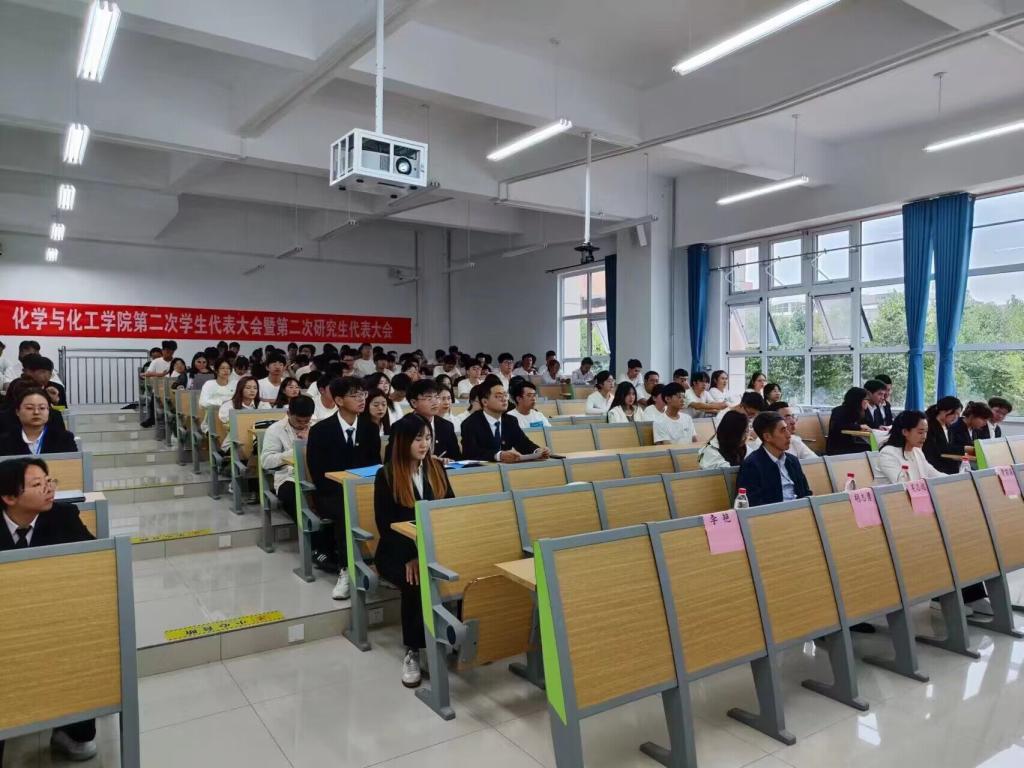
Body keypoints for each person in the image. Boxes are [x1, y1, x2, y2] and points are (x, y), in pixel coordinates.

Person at [0, 458, 98, 763]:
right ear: (9, 497)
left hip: (54, 619)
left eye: (49, 481)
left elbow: (94, 562)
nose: (49, 488)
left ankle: (71, 729)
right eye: (37, 484)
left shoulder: (63, 516)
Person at [373, 416, 454, 688]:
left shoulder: (436, 468)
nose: (424, 444)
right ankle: (413, 649)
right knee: (415, 581)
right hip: (396, 551)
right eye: (418, 438)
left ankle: (455, 636)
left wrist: (428, 553)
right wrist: (413, 556)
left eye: (428, 438)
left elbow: (449, 510)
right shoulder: (386, 475)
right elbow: (386, 526)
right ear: (403, 441)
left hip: (432, 548)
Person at [306, 377, 382, 595]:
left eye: (363, 394)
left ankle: (381, 565)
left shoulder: (369, 428)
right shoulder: (321, 430)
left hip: (363, 491)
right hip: (331, 494)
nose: (361, 399)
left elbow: (375, 465)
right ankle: (346, 569)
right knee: (346, 510)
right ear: (339, 400)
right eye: (354, 395)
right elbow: (318, 473)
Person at [460, 380, 550, 462]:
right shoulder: (470, 423)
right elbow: (470, 452)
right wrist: (498, 456)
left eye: (505, 395)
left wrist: (537, 451)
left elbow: (523, 443)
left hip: (506, 469)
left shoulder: (510, 420)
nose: (504, 399)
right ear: (485, 402)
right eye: (498, 396)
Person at [736, 412, 813, 507]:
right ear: (767, 437)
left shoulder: (792, 461)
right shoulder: (751, 465)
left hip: (801, 510)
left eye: (787, 429)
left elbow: (806, 493)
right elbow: (753, 505)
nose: (788, 435)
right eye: (783, 430)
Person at [259, 395, 314, 525]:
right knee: (294, 496)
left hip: (314, 475)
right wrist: (299, 448)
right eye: (299, 421)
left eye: (306, 421)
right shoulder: (275, 430)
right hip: (288, 478)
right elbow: (266, 461)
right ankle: (309, 532)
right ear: (289, 413)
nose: (303, 425)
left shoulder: (316, 427)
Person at [396, 379, 461, 460]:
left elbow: (457, 459)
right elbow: (392, 460)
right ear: (414, 403)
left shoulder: (447, 426)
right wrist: (425, 460)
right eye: (429, 398)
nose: (435, 402)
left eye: (437, 397)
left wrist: (447, 461)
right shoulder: (401, 426)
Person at [0, 388, 78, 455]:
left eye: (42, 408)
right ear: (17, 412)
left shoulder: (65, 438)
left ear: (48, 411)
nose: (36, 412)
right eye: (29, 408)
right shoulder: (4, 442)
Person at [877, 410, 944, 483]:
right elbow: (902, 484)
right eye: (920, 432)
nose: (924, 436)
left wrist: (951, 480)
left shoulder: (917, 451)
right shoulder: (888, 454)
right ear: (905, 432)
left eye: (926, 432)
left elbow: (932, 473)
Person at [923, 396, 965, 474]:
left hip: (949, 468)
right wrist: (963, 449)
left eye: (958, 414)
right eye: (954, 413)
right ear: (944, 410)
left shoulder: (949, 427)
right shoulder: (929, 426)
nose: (956, 417)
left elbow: (949, 447)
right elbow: (935, 450)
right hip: (935, 468)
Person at [826, 387, 870, 455]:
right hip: (838, 447)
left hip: (850, 444)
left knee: (872, 447)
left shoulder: (858, 411)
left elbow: (868, 423)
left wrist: (879, 427)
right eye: (866, 399)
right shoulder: (839, 411)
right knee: (871, 449)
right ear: (858, 399)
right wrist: (859, 427)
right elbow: (840, 426)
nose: (868, 401)